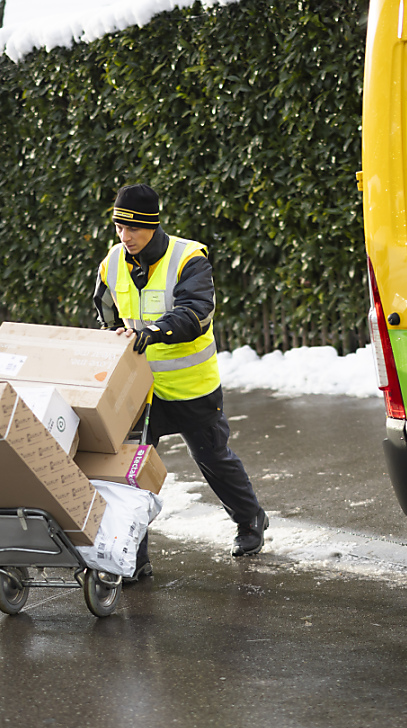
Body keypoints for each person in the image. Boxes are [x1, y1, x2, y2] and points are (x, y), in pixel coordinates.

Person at [93, 183, 268, 581]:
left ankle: (250, 520)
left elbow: (197, 312)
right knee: (130, 472)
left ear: (153, 226)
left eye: (133, 228)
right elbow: (104, 313)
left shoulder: (189, 258)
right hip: (139, 391)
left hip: (191, 388)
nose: (125, 236)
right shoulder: (112, 262)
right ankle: (131, 558)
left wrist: (153, 331)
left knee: (213, 459)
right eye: (119, 227)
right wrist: (111, 335)